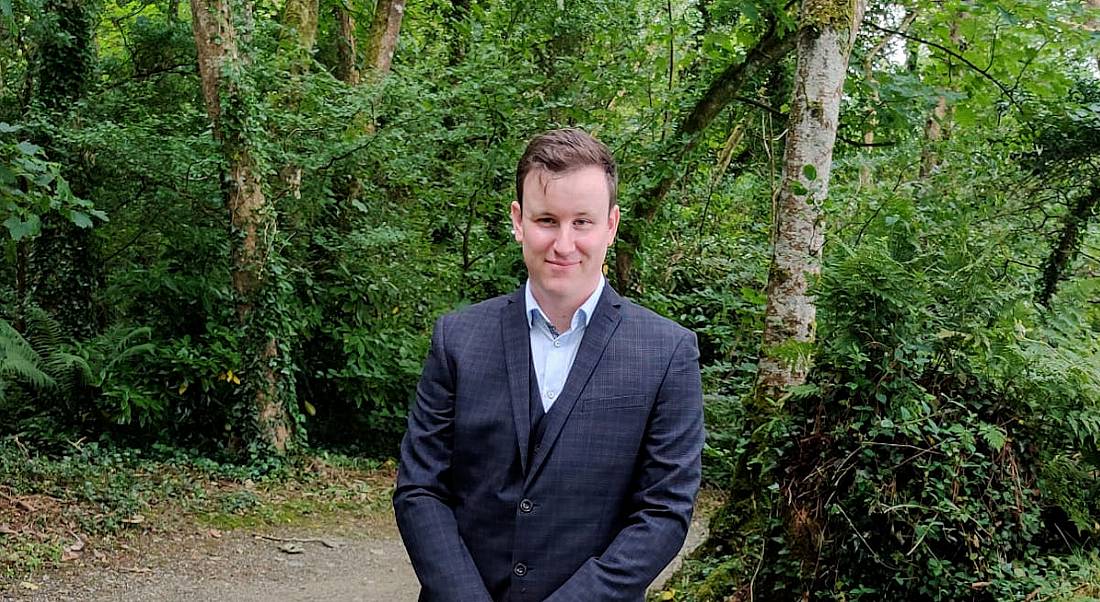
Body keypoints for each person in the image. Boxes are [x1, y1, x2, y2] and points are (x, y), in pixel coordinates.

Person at [393, 127, 704, 601]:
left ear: (611, 226)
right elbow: (420, 490)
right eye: (547, 220)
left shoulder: (667, 352)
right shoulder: (457, 339)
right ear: (518, 221)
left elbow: (663, 513)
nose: (563, 243)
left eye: (582, 222)